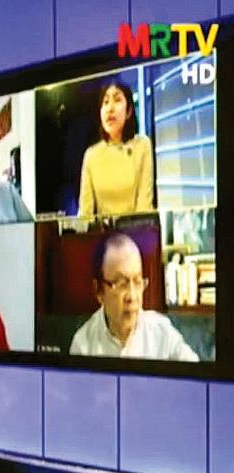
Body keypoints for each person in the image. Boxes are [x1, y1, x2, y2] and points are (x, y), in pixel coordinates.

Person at [69, 232, 198, 361]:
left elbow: (195, 370)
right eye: (121, 284)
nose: (132, 296)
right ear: (99, 291)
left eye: (137, 282)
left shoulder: (163, 334)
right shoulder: (83, 346)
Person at [78, 80, 154, 217]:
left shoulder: (142, 146)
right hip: (103, 230)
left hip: (137, 229)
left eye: (117, 100)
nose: (110, 109)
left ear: (129, 111)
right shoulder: (91, 155)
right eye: (105, 102)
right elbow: (85, 213)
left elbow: (144, 207)